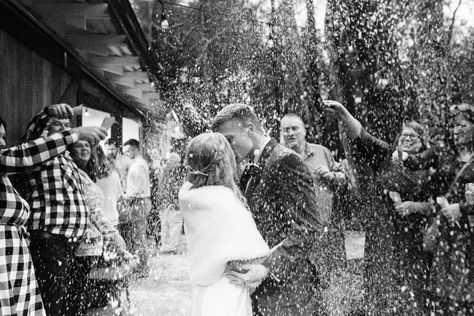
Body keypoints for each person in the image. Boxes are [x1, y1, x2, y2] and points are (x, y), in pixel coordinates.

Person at [212, 103, 329, 316]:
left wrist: (267, 268)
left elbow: (309, 227)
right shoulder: (252, 165)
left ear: (249, 128)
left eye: (229, 140)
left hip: (288, 293)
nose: (226, 149)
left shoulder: (285, 160)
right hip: (262, 289)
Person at [324, 100, 436, 315]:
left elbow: (438, 206)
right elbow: (362, 136)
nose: (407, 138)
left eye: (414, 135)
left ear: (423, 143)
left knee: (412, 293)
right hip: (382, 236)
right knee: (380, 291)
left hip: (413, 240)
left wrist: (415, 206)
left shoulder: (431, 169)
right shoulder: (386, 157)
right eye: (404, 134)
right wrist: (343, 114)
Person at [22, 103, 108, 315]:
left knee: (64, 303)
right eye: (56, 126)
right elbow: (32, 134)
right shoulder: (42, 153)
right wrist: (47, 113)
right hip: (49, 238)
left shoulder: (65, 158)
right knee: (52, 302)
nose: (63, 130)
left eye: (67, 126)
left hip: (66, 241)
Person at [179, 132, 269, 316]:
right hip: (228, 289)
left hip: (203, 290)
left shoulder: (188, 196)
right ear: (224, 164)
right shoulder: (225, 203)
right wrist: (265, 270)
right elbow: (257, 253)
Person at [424, 103, 474, 315]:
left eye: (462, 126)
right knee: (446, 293)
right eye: (453, 127)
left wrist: (462, 209)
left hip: (469, 233)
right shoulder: (447, 158)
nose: (456, 131)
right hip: (450, 234)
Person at [121, 138, 151, 276]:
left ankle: (142, 267)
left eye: (127, 151)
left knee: (138, 236)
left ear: (134, 149)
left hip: (139, 202)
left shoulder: (138, 165)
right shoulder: (138, 163)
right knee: (138, 235)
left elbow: (138, 189)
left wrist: (126, 196)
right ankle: (141, 266)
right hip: (139, 201)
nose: (126, 154)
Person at [157, 152, 185, 253]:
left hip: (164, 203)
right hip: (172, 203)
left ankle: (165, 246)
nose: (179, 165)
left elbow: (160, 189)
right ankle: (172, 247)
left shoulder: (163, 171)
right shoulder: (176, 173)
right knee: (174, 225)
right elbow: (176, 188)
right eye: (177, 162)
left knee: (165, 225)